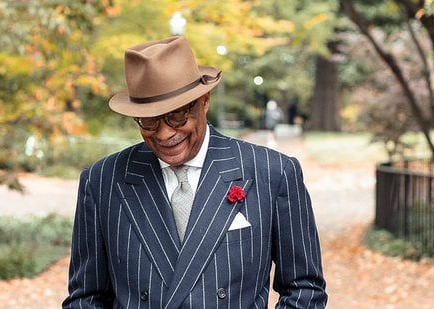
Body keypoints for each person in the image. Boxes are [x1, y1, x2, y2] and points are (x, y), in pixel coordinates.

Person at [62, 36, 327, 308]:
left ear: (204, 101)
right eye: (149, 121)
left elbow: (305, 289)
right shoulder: (102, 180)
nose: (165, 133)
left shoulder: (272, 172)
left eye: (177, 116)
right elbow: (86, 298)